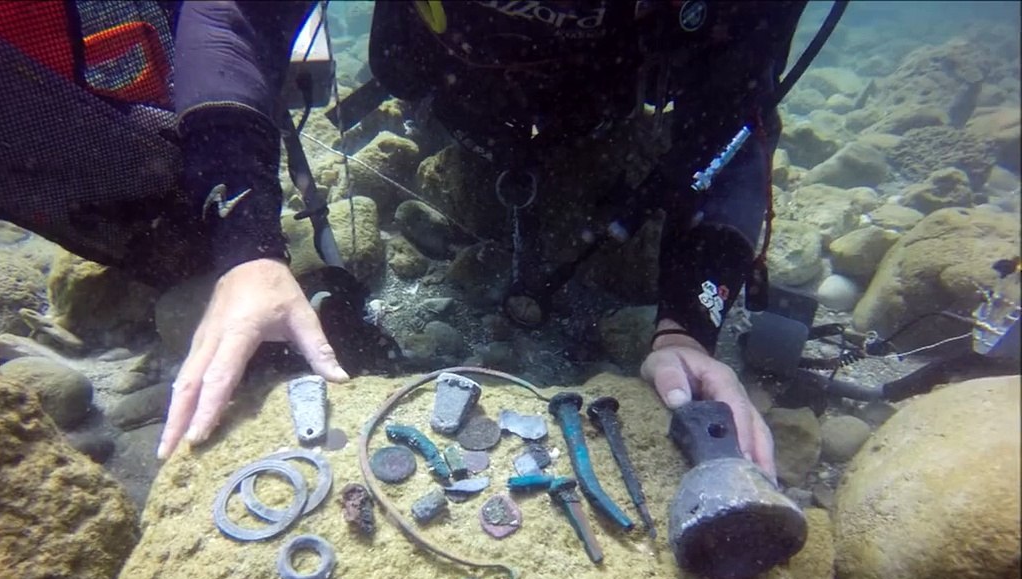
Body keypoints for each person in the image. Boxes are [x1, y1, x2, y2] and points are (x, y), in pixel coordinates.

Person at [156, 0, 799, 478]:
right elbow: (230, 14)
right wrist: (246, 250)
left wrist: (687, 325)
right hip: (448, 92)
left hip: (606, 112)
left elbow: (736, 115)